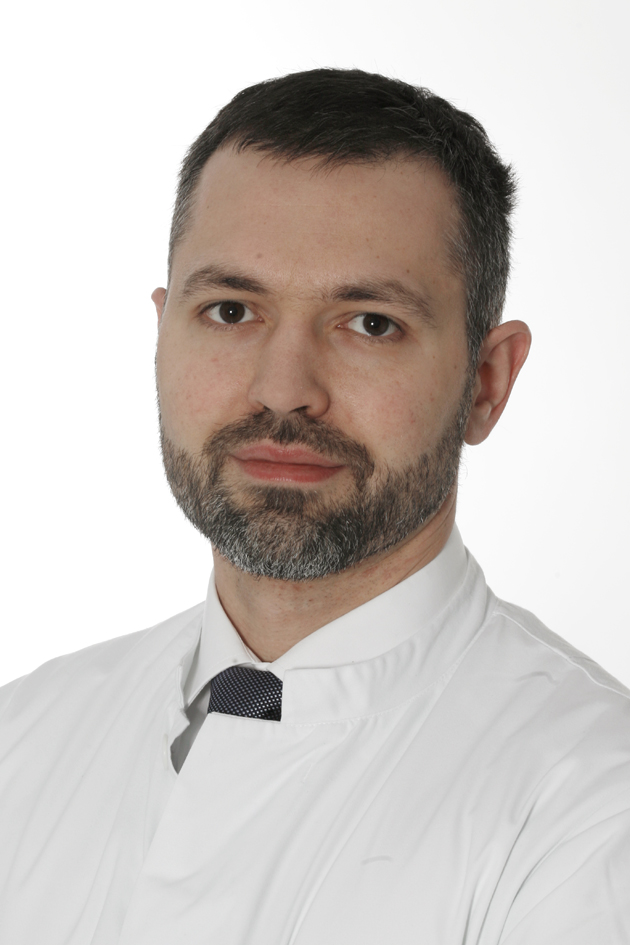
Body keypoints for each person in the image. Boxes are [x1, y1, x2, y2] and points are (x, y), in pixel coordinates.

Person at [0, 68, 628, 945]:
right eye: (231, 310)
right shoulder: (23, 737)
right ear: (161, 334)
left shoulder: (592, 806)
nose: (283, 389)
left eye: (370, 322)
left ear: (486, 382)